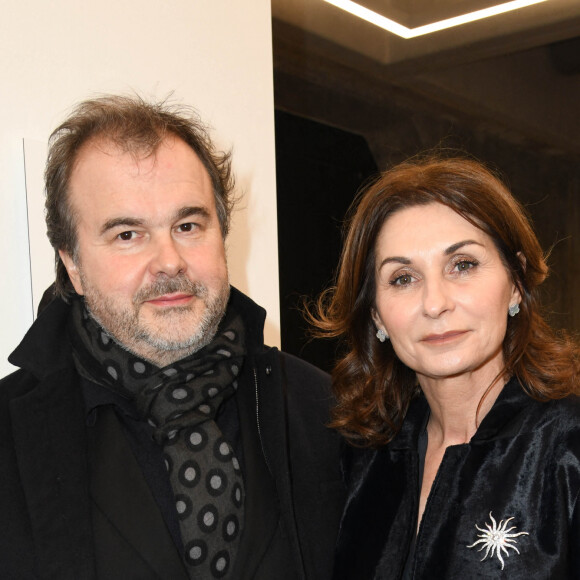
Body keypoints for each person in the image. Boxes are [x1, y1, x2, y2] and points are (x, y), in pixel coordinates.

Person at [0, 94, 344, 580]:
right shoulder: (11, 437)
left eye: (188, 225)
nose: (168, 261)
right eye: (127, 234)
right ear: (73, 264)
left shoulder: (323, 409)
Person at [311, 156, 580, 579]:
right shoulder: (365, 460)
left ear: (516, 282)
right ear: (377, 316)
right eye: (403, 278)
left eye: (463, 265)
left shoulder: (568, 447)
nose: (435, 303)